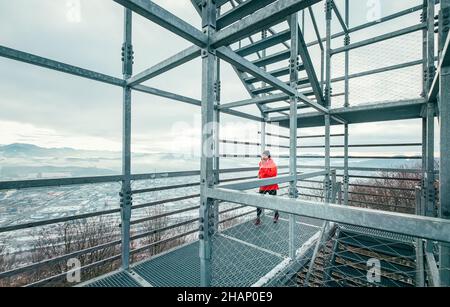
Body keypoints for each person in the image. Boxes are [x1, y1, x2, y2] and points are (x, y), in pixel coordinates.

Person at [255, 150, 279, 225]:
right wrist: (259, 175)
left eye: (264, 156)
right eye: (262, 156)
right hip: (263, 186)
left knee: (274, 202)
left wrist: (264, 169)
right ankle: (258, 218)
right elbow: (260, 172)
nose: (262, 158)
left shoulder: (273, 164)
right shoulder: (261, 163)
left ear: (268, 157)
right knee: (259, 202)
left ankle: (276, 215)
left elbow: (273, 174)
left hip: (271, 185)